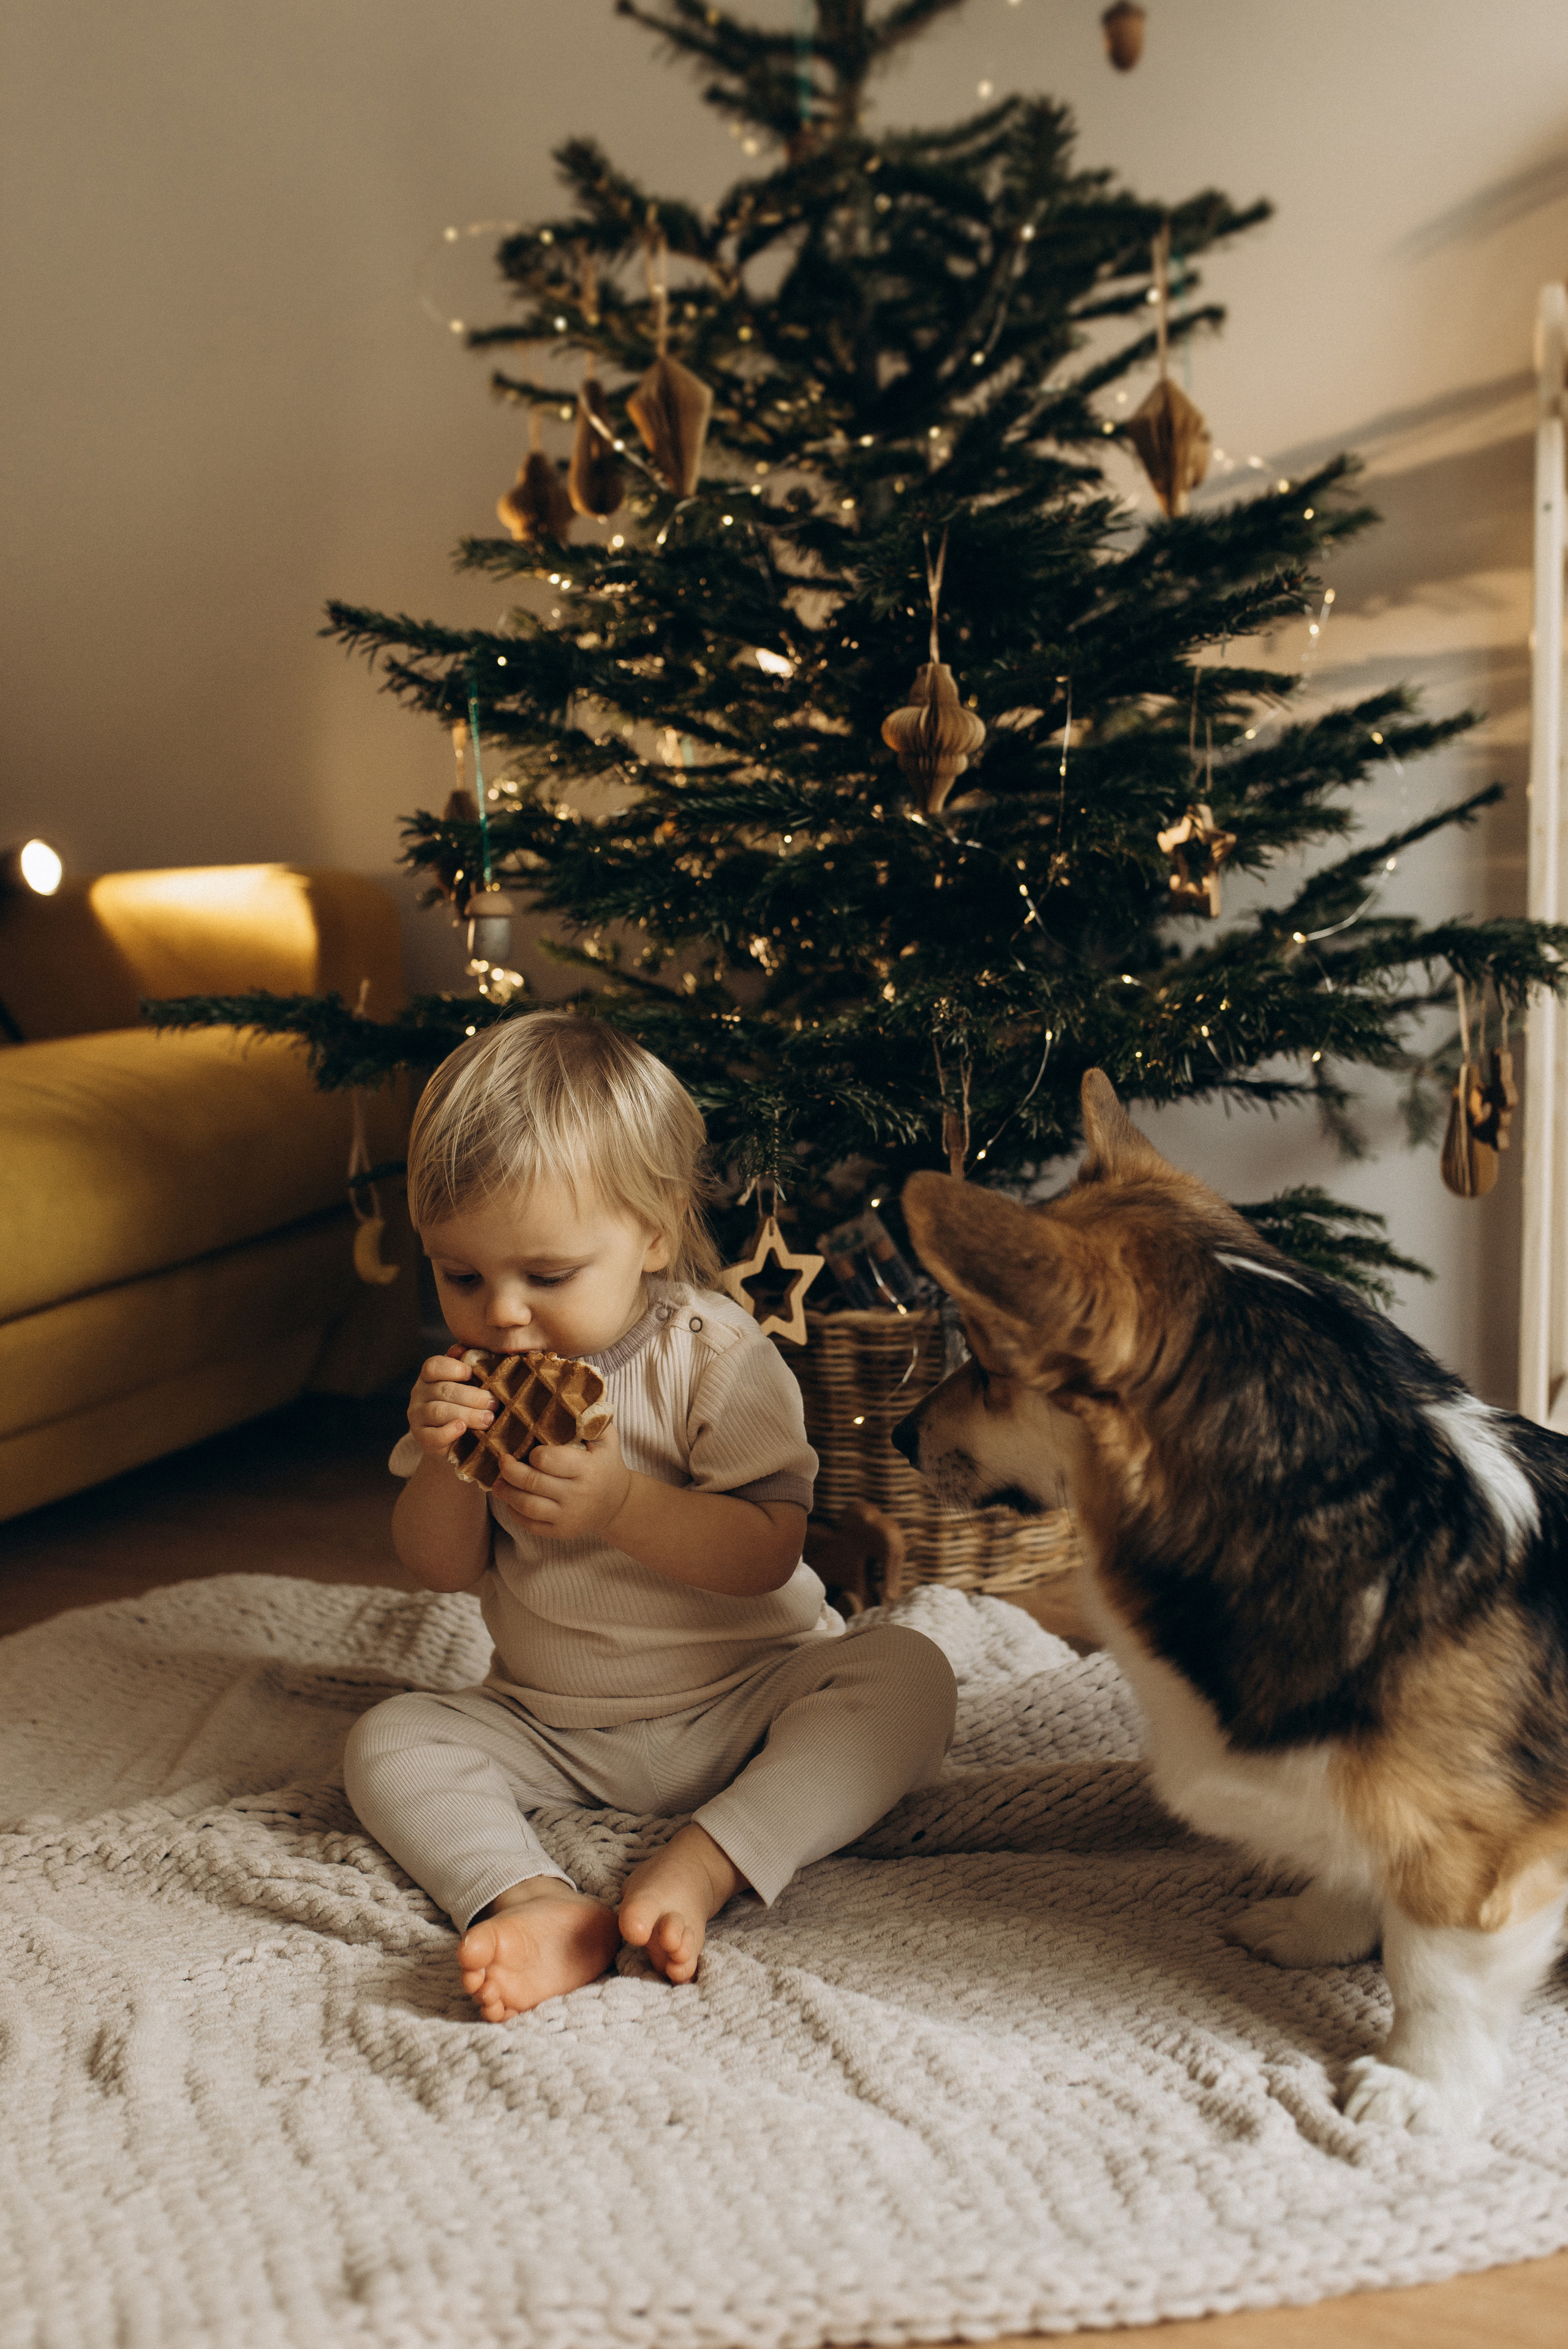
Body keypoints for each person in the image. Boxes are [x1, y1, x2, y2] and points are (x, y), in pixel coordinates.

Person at [344, 1013, 957, 2022]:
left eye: (547, 1275)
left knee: (910, 1674)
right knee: (389, 1738)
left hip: (746, 1699)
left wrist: (622, 1504)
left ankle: (711, 1859)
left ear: (656, 1230)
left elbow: (768, 1553)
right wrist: (447, 1466)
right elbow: (441, 1567)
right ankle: (535, 1901)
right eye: (461, 1275)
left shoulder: (713, 1354)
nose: (502, 1313)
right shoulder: (473, 1382)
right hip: (551, 1723)